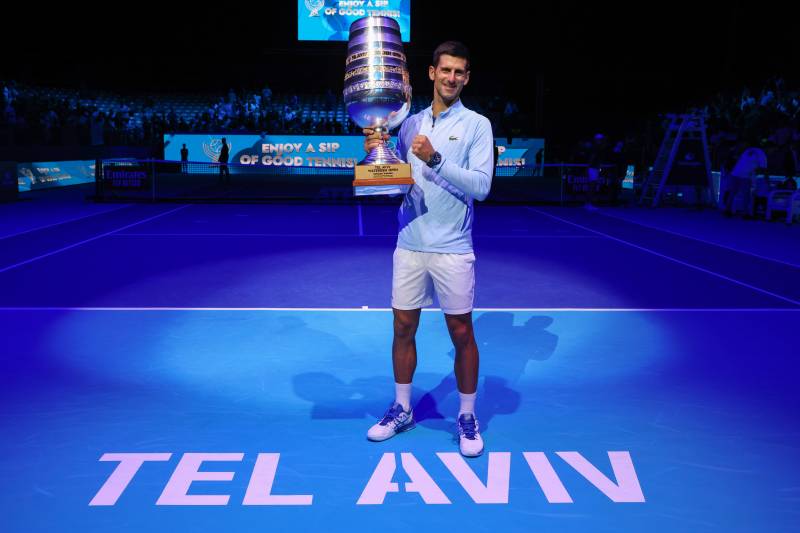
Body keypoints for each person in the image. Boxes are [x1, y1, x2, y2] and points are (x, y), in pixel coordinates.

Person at [362, 41, 494, 457]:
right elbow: (393, 183)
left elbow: (483, 187)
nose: (452, 78)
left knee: (461, 333)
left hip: (453, 247)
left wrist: (435, 159)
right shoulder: (407, 123)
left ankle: (467, 416)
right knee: (403, 328)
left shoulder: (477, 125)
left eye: (460, 72)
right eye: (446, 70)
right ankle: (402, 409)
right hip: (410, 243)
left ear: (466, 78)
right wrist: (374, 156)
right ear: (431, 73)